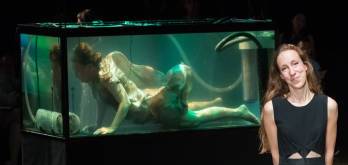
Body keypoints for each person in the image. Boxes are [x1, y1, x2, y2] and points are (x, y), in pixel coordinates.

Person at [71, 42, 258, 135]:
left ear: (88, 67)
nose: (77, 76)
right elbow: (102, 104)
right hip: (150, 105)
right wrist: (97, 125)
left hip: (152, 109)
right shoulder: (96, 81)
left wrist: (112, 128)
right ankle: (207, 102)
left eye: (78, 71)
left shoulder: (106, 76)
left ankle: (238, 112)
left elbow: (125, 103)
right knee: (188, 107)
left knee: (194, 118)